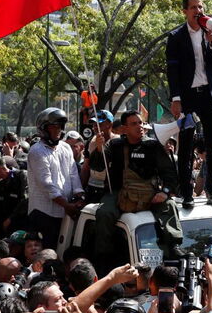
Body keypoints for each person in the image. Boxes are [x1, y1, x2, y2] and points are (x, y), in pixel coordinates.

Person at [89, 110, 182, 269]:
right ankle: (104, 257)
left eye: (140, 123)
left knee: (170, 206)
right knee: (104, 213)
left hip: (150, 194)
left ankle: (173, 246)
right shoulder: (114, 145)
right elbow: (97, 165)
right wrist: (98, 149)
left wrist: (164, 192)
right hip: (119, 193)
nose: (139, 127)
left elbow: (170, 174)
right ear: (124, 129)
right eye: (134, 124)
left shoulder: (153, 146)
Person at [165, 0, 212, 208]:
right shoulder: (176, 37)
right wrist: (176, 98)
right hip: (188, 97)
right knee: (187, 146)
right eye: (193, 7)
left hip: (210, 96)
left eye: (200, 6)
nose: (198, 10)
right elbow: (172, 70)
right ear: (185, 12)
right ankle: (187, 193)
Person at [27, 108, 85, 248]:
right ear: (44, 128)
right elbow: (46, 184)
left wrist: (80, 195)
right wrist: (66, 205)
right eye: (54, 126)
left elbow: (73, 174)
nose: (58, 130)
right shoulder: (37, 151)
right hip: (43, 213)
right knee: (45, 254)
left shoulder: (65, 147)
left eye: (60, 126)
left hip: (65, 212)